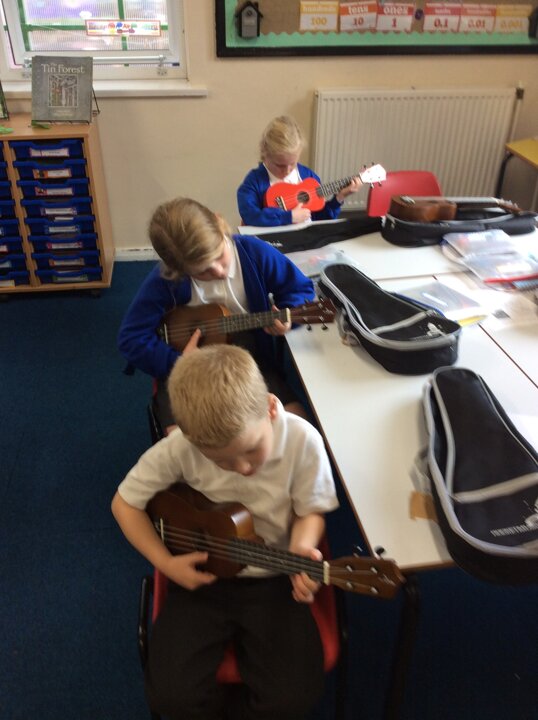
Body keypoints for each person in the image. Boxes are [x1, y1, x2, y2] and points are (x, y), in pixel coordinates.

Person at [111, 344, 339, 720]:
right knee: (169, 698)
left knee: (294, 697)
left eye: (251, 450)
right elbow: (124, 504)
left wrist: (301, 547)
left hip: (273, 578)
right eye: (221, 461)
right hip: (205, 576)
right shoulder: (181, 447)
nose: (242, 468)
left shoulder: (303, 441)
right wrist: (166, 563)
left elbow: (311, 511)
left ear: (270, 408)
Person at [117, 196, 315, 430]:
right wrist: (179, 362)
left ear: (221, 227)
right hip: (187, 370)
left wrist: (287, 314)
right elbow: (131, 338)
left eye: (220, 256)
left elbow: (300, 289)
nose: (219, 271)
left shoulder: (254, 253)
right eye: (203, 272)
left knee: (299, 427)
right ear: (177, 269)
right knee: (184, 442)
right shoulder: (166, 279)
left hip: (248, 358)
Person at [237, 114, 362, 227]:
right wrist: (288, 217)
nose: (287, 170)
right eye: (280, 165)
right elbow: (250, 217)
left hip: (306, 239)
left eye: (293, 164)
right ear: (265, 154)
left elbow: (319, 219)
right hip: (271, 242)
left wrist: (339, 198)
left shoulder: (308, 177)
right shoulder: (253, 182)